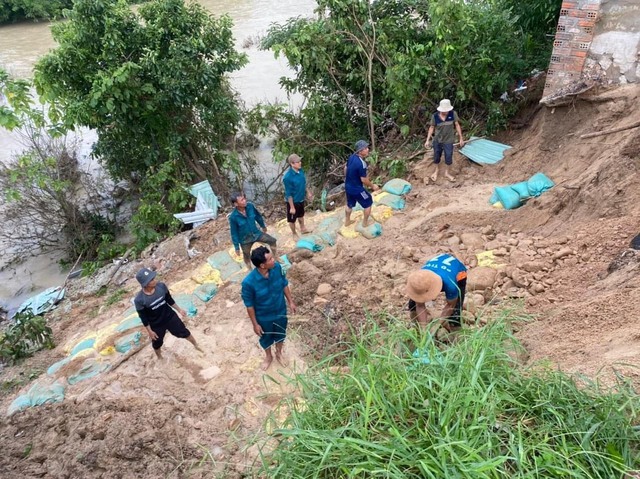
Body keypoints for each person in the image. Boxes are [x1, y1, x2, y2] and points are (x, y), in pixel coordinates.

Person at [241, 246, 297, 370]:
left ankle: (279, 353)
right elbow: (249, 305)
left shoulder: (277, 268)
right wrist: (255, 324)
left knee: (280, 333)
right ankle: (268, 356)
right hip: (263, 317)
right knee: (265, 337)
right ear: (262, 265)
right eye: (270, 259)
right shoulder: (248, 283)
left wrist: (291, 302)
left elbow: (284, 284)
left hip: (280, 311)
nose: (274, 261)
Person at [133, 267, 202, 359]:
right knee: (157, 342)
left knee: (184, 332)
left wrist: (179, 309)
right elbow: (143, 317)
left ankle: (196, 345)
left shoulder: (161, 286)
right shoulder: (140, 300)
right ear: (145, 284)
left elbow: (169, 300)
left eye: (153, 278)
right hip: (156, 324)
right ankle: (159, 356)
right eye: (151, 280)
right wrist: (150, 331)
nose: (154, 281)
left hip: (170, 317)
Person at [405, 253, 467, 332]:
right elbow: (419, 305)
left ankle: (456, 334)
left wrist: (438, 324)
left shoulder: (451, 284)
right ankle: (417, 327)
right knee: (413, 302)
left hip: (459, 274)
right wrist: (423, 328)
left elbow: (451, 304)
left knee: (455, 313)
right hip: (438, 268)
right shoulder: (420, 277)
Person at [228, 192, 278, 270]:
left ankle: (276, 257)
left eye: (244, 198)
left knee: (272, 241)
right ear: (236, 204)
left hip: (256, 233)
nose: (245, 201)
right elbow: (234, 233)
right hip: (245, 239)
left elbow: (258, 216)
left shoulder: (250, 207)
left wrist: (263, 226)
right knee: (246, 255)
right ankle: (250, 269)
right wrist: (236, 247)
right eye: (242, 200)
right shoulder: (233, 217)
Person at [424, 99, 465, 183]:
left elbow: (457, 125)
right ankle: (436, 171)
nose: (445, 112)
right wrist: (427, 140)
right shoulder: (435, 116)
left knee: (449, 155)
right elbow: (431, 127)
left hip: (449, 140)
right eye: (444, 110)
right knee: (436, 156)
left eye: (447, 110)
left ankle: (447, 173)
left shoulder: (453, 114)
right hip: (437, 140)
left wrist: (461, 138)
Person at [344, 139, 380, 227]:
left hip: (348, 187)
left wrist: (347, 178)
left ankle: (347, 221)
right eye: (366, 148)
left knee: (349, 204)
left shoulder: (351, 157)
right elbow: (364, 180)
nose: (368, 149)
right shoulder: (361, 163)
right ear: (360, 151)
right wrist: (373, 186)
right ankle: (365, 223)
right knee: (368, 202)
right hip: (357, 189)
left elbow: (345, 168)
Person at [283, 153, 313, 237]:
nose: (300, 163)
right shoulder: (287, 177)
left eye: (300, 161)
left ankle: (303, 229)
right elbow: (288, 194)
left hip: (301, 199)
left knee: (301, 215)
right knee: (292, 220)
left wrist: (308, 192)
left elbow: (304, 183)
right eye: (297, 162)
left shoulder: (300, 171)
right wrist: (292, 207)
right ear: (292, 164)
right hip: (293, 201)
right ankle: (294, 233)